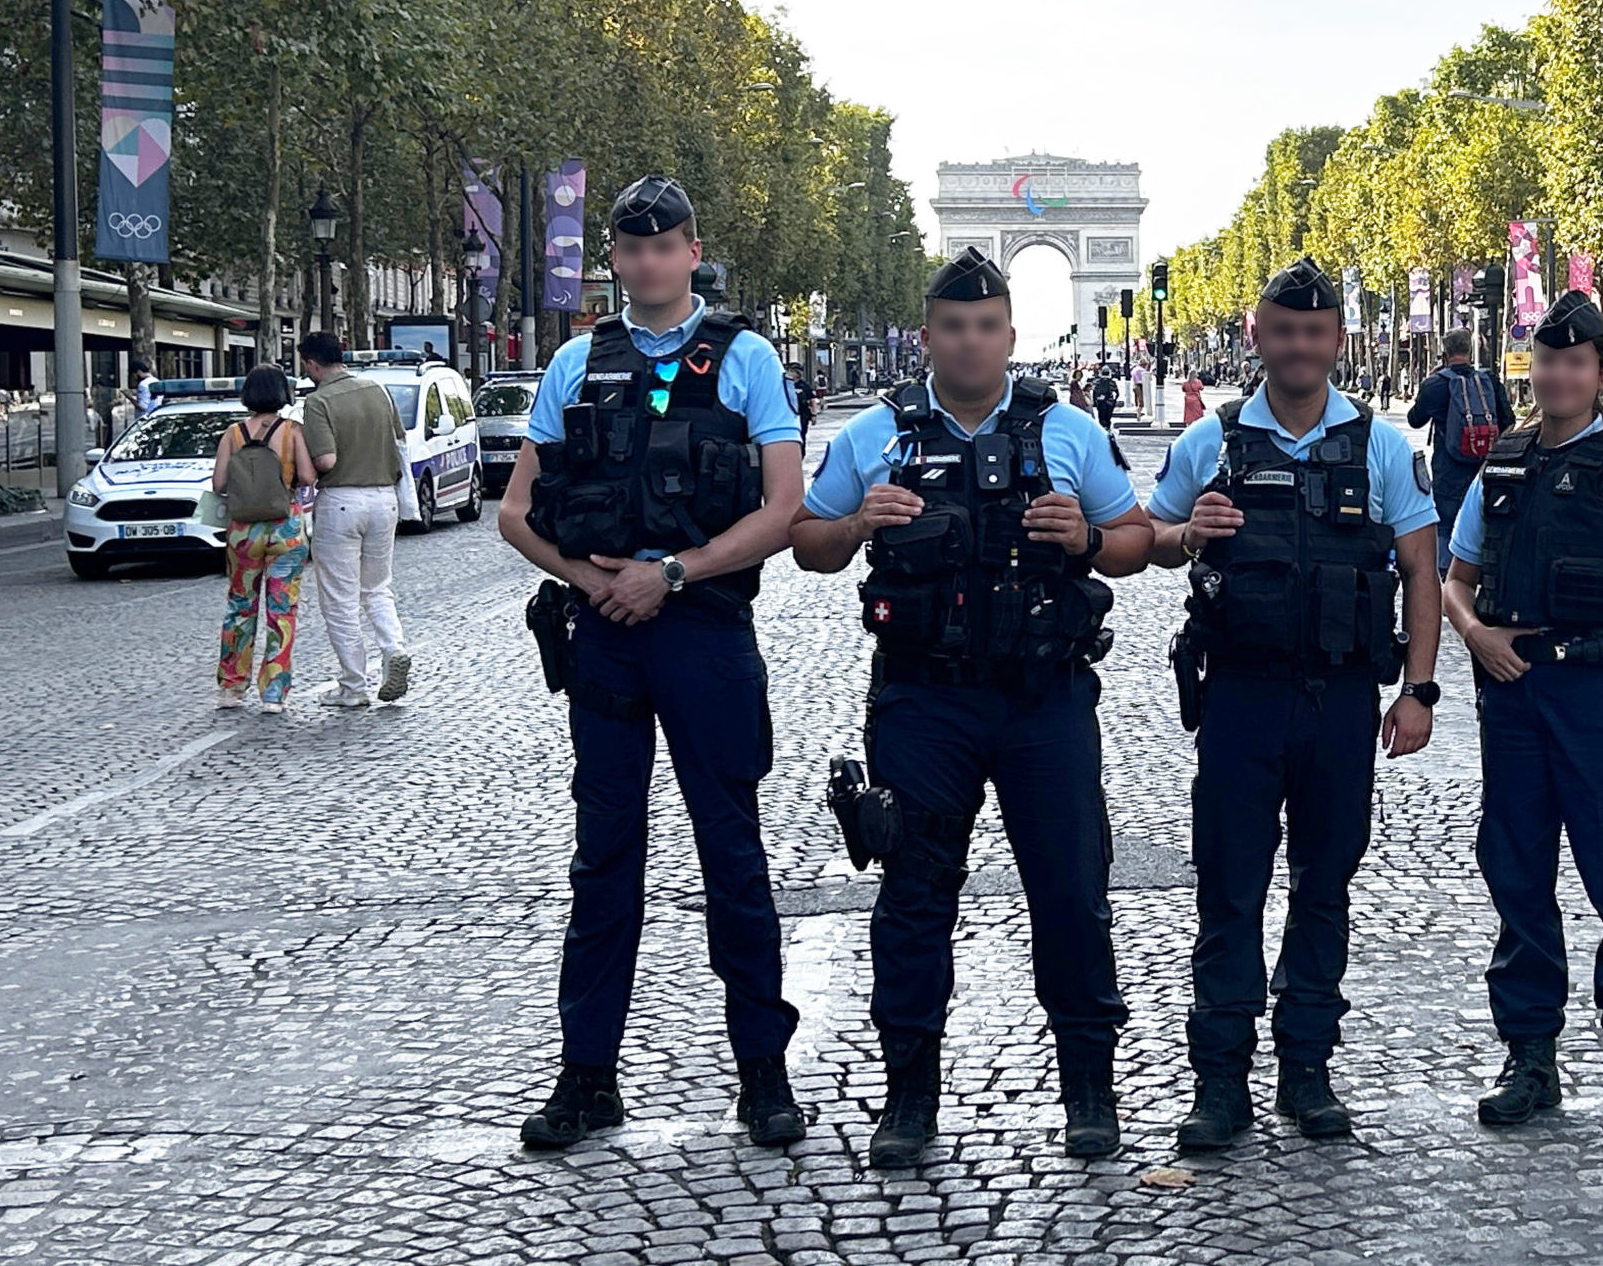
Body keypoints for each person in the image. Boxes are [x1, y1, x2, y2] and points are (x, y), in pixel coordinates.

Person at [791, 246, 1154, 1166]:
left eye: (986, 326)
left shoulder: (1068, 429)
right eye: (953, 326)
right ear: (929, 335)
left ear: (1009, 334)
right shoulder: (878, 434)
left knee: (1071, 894)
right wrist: (853, 524)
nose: (969, 342)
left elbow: (1137, 540)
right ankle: (907, 1097)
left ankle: (1090, 1091)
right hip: (923, 698)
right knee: (913, 896)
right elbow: (807, 544)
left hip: (1044, 698)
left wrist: (1087, 537)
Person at [496, 175, 811, 1151]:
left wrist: (671, 572)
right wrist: (592, 583)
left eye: (661, 245)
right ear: (616, 259)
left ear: (690, 250)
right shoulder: (575, 364)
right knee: (603, 863)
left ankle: (764, 1074)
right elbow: (514, 512)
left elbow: (782, 508)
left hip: (704, 631)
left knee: (733, 855)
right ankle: (586, 1076)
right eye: (628, 249)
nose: (645, 263)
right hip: (608, 636)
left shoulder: (749, 358)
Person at [1146, 255, 1441, 1151]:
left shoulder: (1382, 445)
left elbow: (1423, 573)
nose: (1300, 346)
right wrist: (1186, 531)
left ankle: (1307, 1070)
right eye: (1284, 330)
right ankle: (1220, 1082)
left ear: (1335, 341)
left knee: (1325, 888)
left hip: (1342, 699)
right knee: (1228, 891)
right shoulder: (1214, 441)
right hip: (1239, 697)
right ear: (1258, 336)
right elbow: (1144, 538)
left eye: (1315, 332)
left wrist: (1419, 690)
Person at [1440, 292, 1603, 1139]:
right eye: (1547, 362)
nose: (1558, 376)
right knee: (1517, 880)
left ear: (1599, 373)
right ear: (1534, 368)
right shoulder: (1502, 466)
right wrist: (1476, 636)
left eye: (1575, 363)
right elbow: (1454, 579)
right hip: (1513, 696)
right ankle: (1530, 1057)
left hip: (1601, 701)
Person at [297, 331, 412, 707]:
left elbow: (326, 461)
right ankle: (393, 648)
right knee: (378, 588)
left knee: (340, 600)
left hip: (342, 501)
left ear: (313, 364)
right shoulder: (378, 391)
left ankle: (353, 686)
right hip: (384, 500)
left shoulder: (318, 402)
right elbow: (400, 442)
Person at [211, 365, 316, 713]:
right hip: (285, 528)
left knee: (240, 607)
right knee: (282, 610)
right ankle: (273, 692)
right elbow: (307, 476)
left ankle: (231, 688)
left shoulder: (233, 433)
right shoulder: (292, 432)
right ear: (283, 394)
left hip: (243, 531)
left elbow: (218, 484)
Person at [1408, 330, 1514, 576]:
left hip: (1448, 466)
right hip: (1484, 465)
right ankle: (1484, 572)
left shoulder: (1436, 384)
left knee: (1445, 522)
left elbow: (1415, 420)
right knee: (1484, 516)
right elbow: (1508, 419)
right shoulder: (1489, 381)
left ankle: (1447, 576)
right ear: (1469, 351)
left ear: (1444, 353)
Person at [1089, 365, 1120, 433]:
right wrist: (1114, 401)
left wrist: (1095, 402)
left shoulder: (1097, 382)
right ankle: (1107, 429)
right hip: (1109, 402)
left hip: (1100, 402)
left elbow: (1094, 393)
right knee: (1108, 417)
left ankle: (1103, 430)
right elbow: (1117, 393)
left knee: (1101, 416)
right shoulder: (1112, 382)